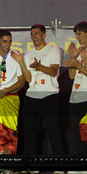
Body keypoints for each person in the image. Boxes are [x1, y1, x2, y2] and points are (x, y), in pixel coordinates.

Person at [14, 24, 63, 155]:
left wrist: (38, 66)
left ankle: (59, 164)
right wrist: (21, 62)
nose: (34, 36)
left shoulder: (53, 50)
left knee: (53, 131)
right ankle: (31, 166)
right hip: (31, 96)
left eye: (36, 33)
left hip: (49, 95)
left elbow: (53, 71)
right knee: (29, 132)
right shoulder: (28, 54)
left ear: (44, 34)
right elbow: (28, 79)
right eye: (32, 34)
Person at [63, 22, 87, 154]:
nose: (77, 37)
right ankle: (78, 166)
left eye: (79, 34)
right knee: (75, 135)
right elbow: (72, 76)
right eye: (76, 34)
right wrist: (73, 58)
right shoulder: (79, 50)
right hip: (75, 98)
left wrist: (77, 64)